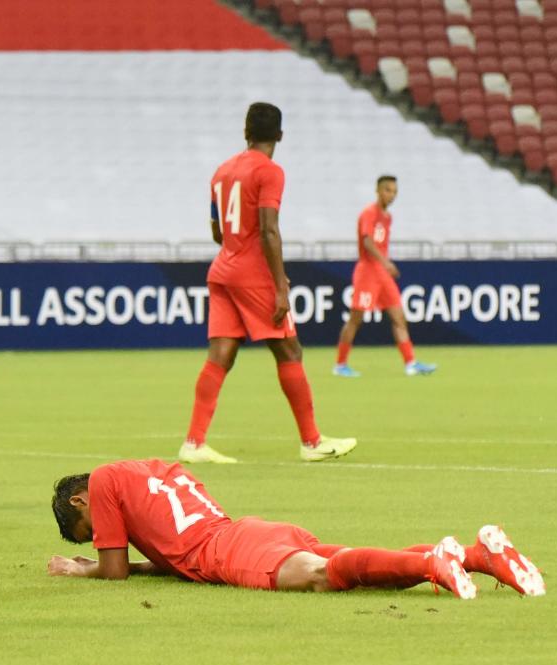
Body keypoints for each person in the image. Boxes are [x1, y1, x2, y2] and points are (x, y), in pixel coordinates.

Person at [48, 459, 546, 599]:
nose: (100, 539)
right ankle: (478, 556)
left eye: (89, 530)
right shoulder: (152, 470)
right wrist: (139, 564)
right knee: (352, 563)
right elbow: (166, 558)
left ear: (80, 500)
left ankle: (430, 563)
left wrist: (83, 569)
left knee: (322, 576)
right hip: (251, 530)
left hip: (226, 550)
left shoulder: (106, 479)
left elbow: (112, 573)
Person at [180, 102, 356, 464]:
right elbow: (269, 229)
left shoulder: (222, 170)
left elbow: (217, 229)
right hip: (252, 274)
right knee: (290, 351)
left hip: (222, 269)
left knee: (221, 355)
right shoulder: (270, 171)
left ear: (246, 131)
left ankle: (194, 443)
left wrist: (234, 246)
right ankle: (311, 442)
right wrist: (279, 286)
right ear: (279, 135)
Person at [333, 176, 437, 378]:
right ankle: (340, 365)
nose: (392, 195)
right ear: (378, 191)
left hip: (382, 274)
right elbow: (367, 241)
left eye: (395, 191)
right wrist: (386, 262)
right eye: (388, 190)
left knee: (399, 317)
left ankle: (411, 364)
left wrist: (385, 265)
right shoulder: (369, 213)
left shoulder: (387, 217)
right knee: (356, 319)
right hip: (368, 273)